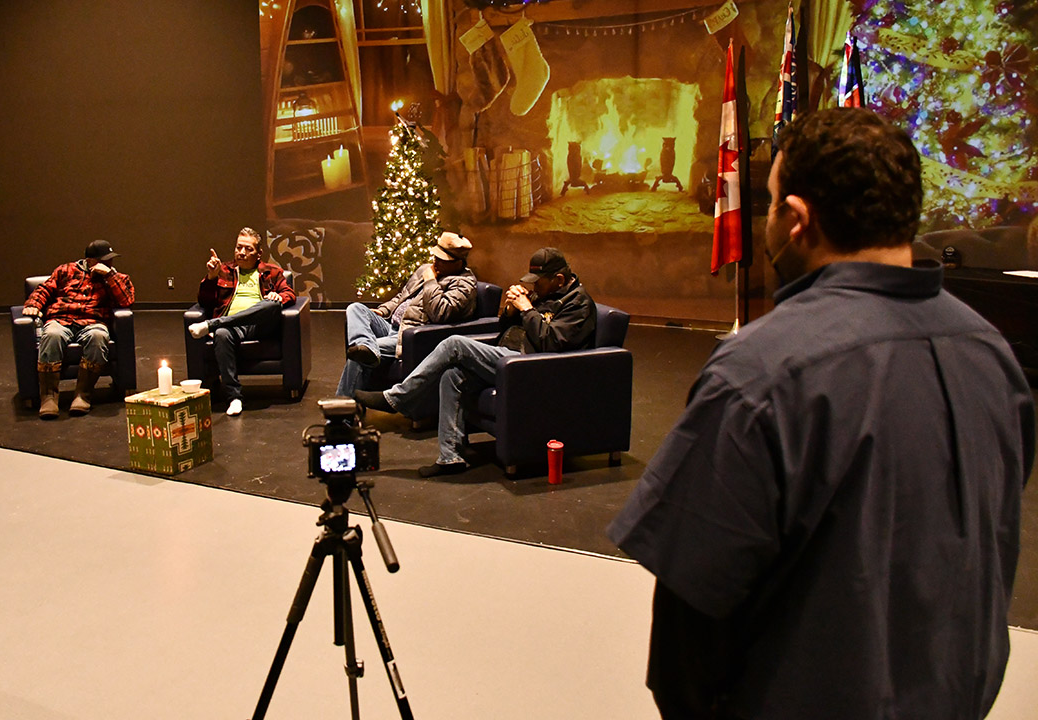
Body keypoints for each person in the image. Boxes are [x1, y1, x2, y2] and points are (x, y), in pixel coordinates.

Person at [608, 108, 1035, 720]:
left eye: (773, 204)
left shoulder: (758, 372)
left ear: (798, 221)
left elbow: (688, 635)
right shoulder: (992, 354)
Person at [355, 247, 596, 477]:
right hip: (507, 358)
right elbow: (508, 330)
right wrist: (511, 312)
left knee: (455, 343)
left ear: (560, 280)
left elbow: (551, 343)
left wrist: (527, 310)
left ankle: (397, 398)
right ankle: (450, 458)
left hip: (532, 366)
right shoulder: (544, 293)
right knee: (453, 375)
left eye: (538, 281)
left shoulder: (578, 304)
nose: (532, 286)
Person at [336, 231, 477, 397]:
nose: (435, 262)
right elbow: (401, 297)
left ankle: (343, 412)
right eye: (436, 257)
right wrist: (383, 310)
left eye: (442, 260)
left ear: (458, 263)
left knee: (357, 356)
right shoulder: (426, 269)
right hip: (391, 324)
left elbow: (440, 312)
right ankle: (366, 346)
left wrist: (431, 282)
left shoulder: (464, 284)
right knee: (355, 308)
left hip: (408, 335)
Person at [188, 227, 295, 416]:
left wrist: (278, 297)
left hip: (260, 326)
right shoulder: (223, 271)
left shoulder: (271, 272)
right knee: (221, 334)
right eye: (239, 248)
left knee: (271, 305)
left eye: (248, 249)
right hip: (232, 328)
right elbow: (204, 302)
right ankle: (234, 397)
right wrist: (211, 278)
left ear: (259, 253)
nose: (242, 252)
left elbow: (289, 294)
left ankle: (212, 325)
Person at [22, 239, 135, 420]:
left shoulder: (117, 277)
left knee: (98, 338)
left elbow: (126, 300)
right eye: (104, 260)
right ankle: (49, 397)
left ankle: (83, 394)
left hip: (93, 321)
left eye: (110, 260)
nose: (109, 263)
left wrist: (109, 276)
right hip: (61, 319)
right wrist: (34, 304)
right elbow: (44, 289)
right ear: (90, 261)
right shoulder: (65, 270)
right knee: (51, 336)